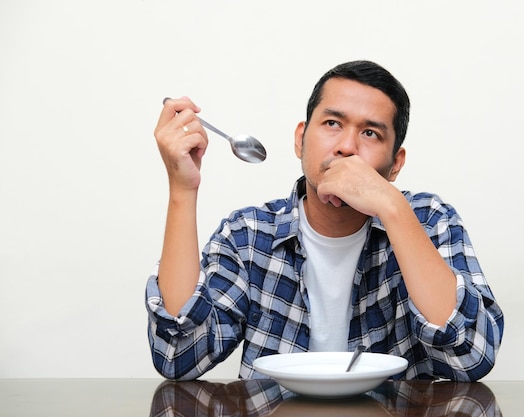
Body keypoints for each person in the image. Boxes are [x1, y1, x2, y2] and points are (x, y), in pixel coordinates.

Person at [146, 60, 504, 382]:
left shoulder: (428, 221)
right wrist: (182, 189)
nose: (347, 146)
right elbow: (178, 356)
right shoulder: (248, 235)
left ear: (396, 164)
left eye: (370, 133)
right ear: (300, 140)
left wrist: (391, 208)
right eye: (332, 123)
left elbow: (471, 356)